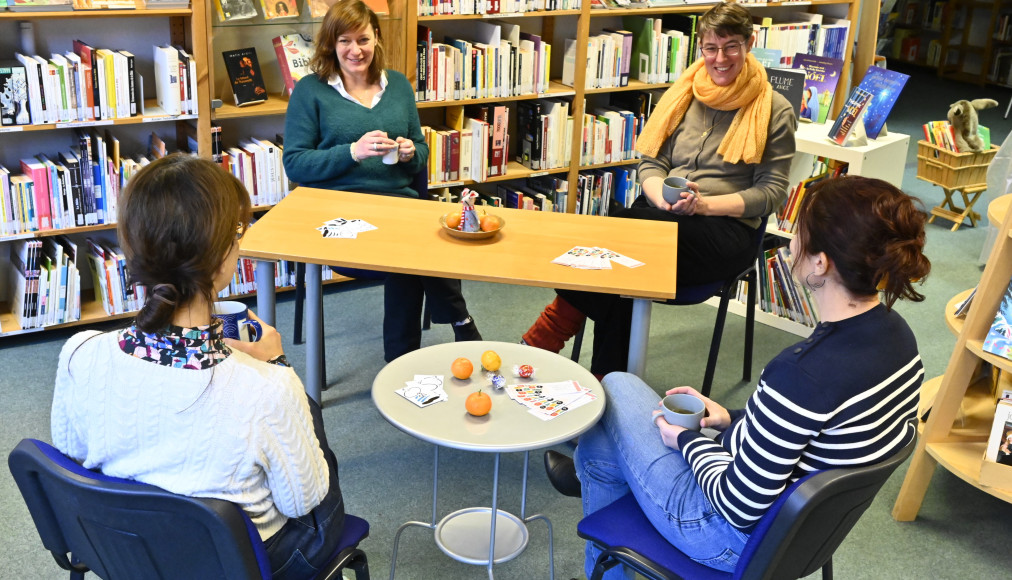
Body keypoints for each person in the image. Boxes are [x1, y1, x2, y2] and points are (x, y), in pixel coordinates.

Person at [545, 175, 931, 577]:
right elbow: (807, 429)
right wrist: (731, 418)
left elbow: (737, 505)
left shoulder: (801, 373)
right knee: (609, 440)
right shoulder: (898, 336)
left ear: (821, 262)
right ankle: (603, 476)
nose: (789, 243)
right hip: (805, 537)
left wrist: (688, 439)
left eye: (798, 232)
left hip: (727, 536)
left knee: (616, 387)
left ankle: (601, 490)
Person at [51, 155, 346, 580]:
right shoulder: (267, 387)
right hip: (236, 565)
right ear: (224, 255)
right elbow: (303, 502)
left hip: (125, 552)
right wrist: (281, 369)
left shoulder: (80, 353)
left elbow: (73, 459)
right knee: (309, 427)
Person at [521, 2, 796, 377]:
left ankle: (546, 337)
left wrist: (703, 206)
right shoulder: (682, 94)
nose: (720, 58)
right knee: (623, 272)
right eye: (710, 48)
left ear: (749, 44)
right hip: (661, 214)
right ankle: (609, 385)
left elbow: (772, 193)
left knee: (618, 238)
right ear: (700, 48)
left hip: (727, 230)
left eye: (731, 46)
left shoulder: (774, 109)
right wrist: (660, 197)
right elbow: (650, 163)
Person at [283, 0, 481, 362]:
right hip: (339, 214)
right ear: (330, 43)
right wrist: (352, 152)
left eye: (363, 39)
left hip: (399, 207)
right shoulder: (311, 91)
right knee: (406, 257)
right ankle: (454, 326)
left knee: (428, 240)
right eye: (344, 41)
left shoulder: (399, 86)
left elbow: (421, 152)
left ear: (377, 38)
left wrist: (410, 151)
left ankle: (406, 359)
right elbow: (295, 165)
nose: (355, 50)